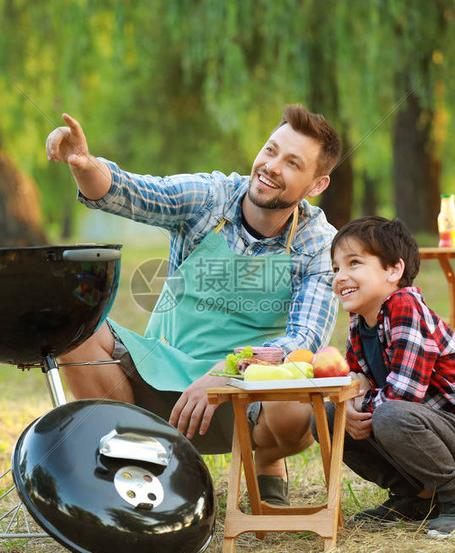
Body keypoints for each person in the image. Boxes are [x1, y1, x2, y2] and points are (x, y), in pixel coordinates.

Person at [45, 104, 341, 506]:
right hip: (161, 373)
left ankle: (268, 461)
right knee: (77, 327)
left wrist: (226, 372)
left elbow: (305, 339)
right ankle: (134, 463)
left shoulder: (319, 243)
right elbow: (132, 192)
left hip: (246, 394)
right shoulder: (211, 196)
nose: (271, 166)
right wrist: (83, 163)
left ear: (316, 184)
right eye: (270, 150)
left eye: (292, 163)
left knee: (296, 410)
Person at [311, 216, 455, 538]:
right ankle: (417, 498)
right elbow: (356, 377)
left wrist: (359, 403)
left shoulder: (405, 307)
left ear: (393, 270)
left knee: (389, 413)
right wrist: (347, 406)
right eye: (335, 269)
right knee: (327, 415)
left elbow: (403, 395)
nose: (340, 277)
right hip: (425, 436)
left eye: (354, 263)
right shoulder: (360, 321)